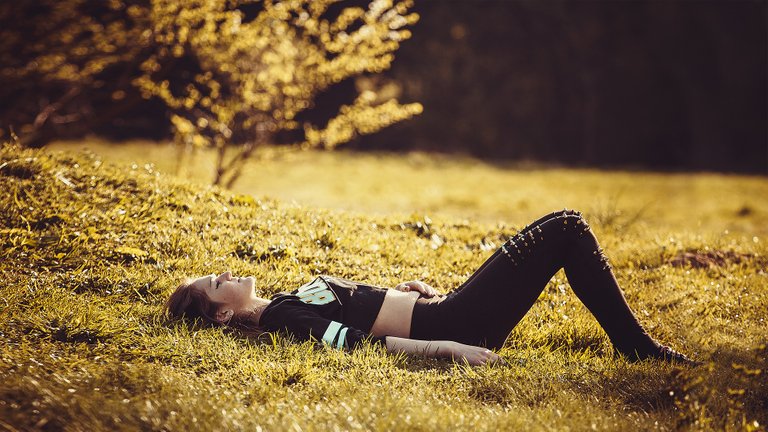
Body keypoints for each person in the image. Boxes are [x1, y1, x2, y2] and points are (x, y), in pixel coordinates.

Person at [166, 209, 696, 366]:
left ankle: (635, 346)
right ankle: (637, 348)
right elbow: (360, 345)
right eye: (217, 284)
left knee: (566, 229)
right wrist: (453, 349)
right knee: (565, 228)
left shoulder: (283, 304)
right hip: (456, 324)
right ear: (220, 315)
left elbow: (357, 315)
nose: (227, 274)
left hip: (441, 308)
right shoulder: (281, 318)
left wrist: (400, 293)